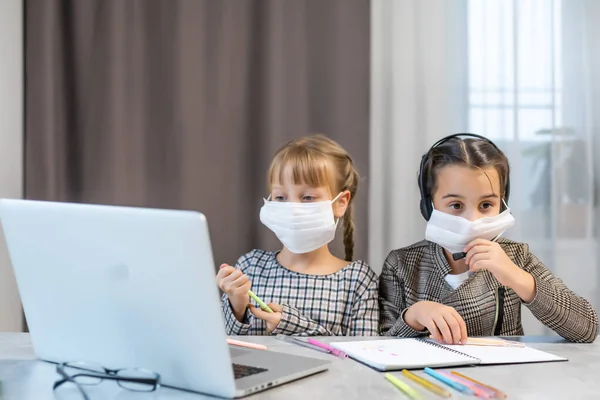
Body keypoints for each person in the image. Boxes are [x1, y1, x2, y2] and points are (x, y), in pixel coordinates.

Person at [379, 133, 598, 344]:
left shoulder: (516, 256)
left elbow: (586, 329)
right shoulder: (401, 264)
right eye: (456, 205)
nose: (472, 219)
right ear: (429, 206)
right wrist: (415, 316)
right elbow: (379, 346)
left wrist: (516, 277)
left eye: (486, 205)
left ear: (502, 203)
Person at [217, 134, 379, 336]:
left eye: (308, 197)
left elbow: (363, 360)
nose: (293, 209)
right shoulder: (250, 267)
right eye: (281, 197)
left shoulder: (358, 281)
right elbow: (224, 350)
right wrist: (236, 306)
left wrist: (293, 325)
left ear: (341, 202)